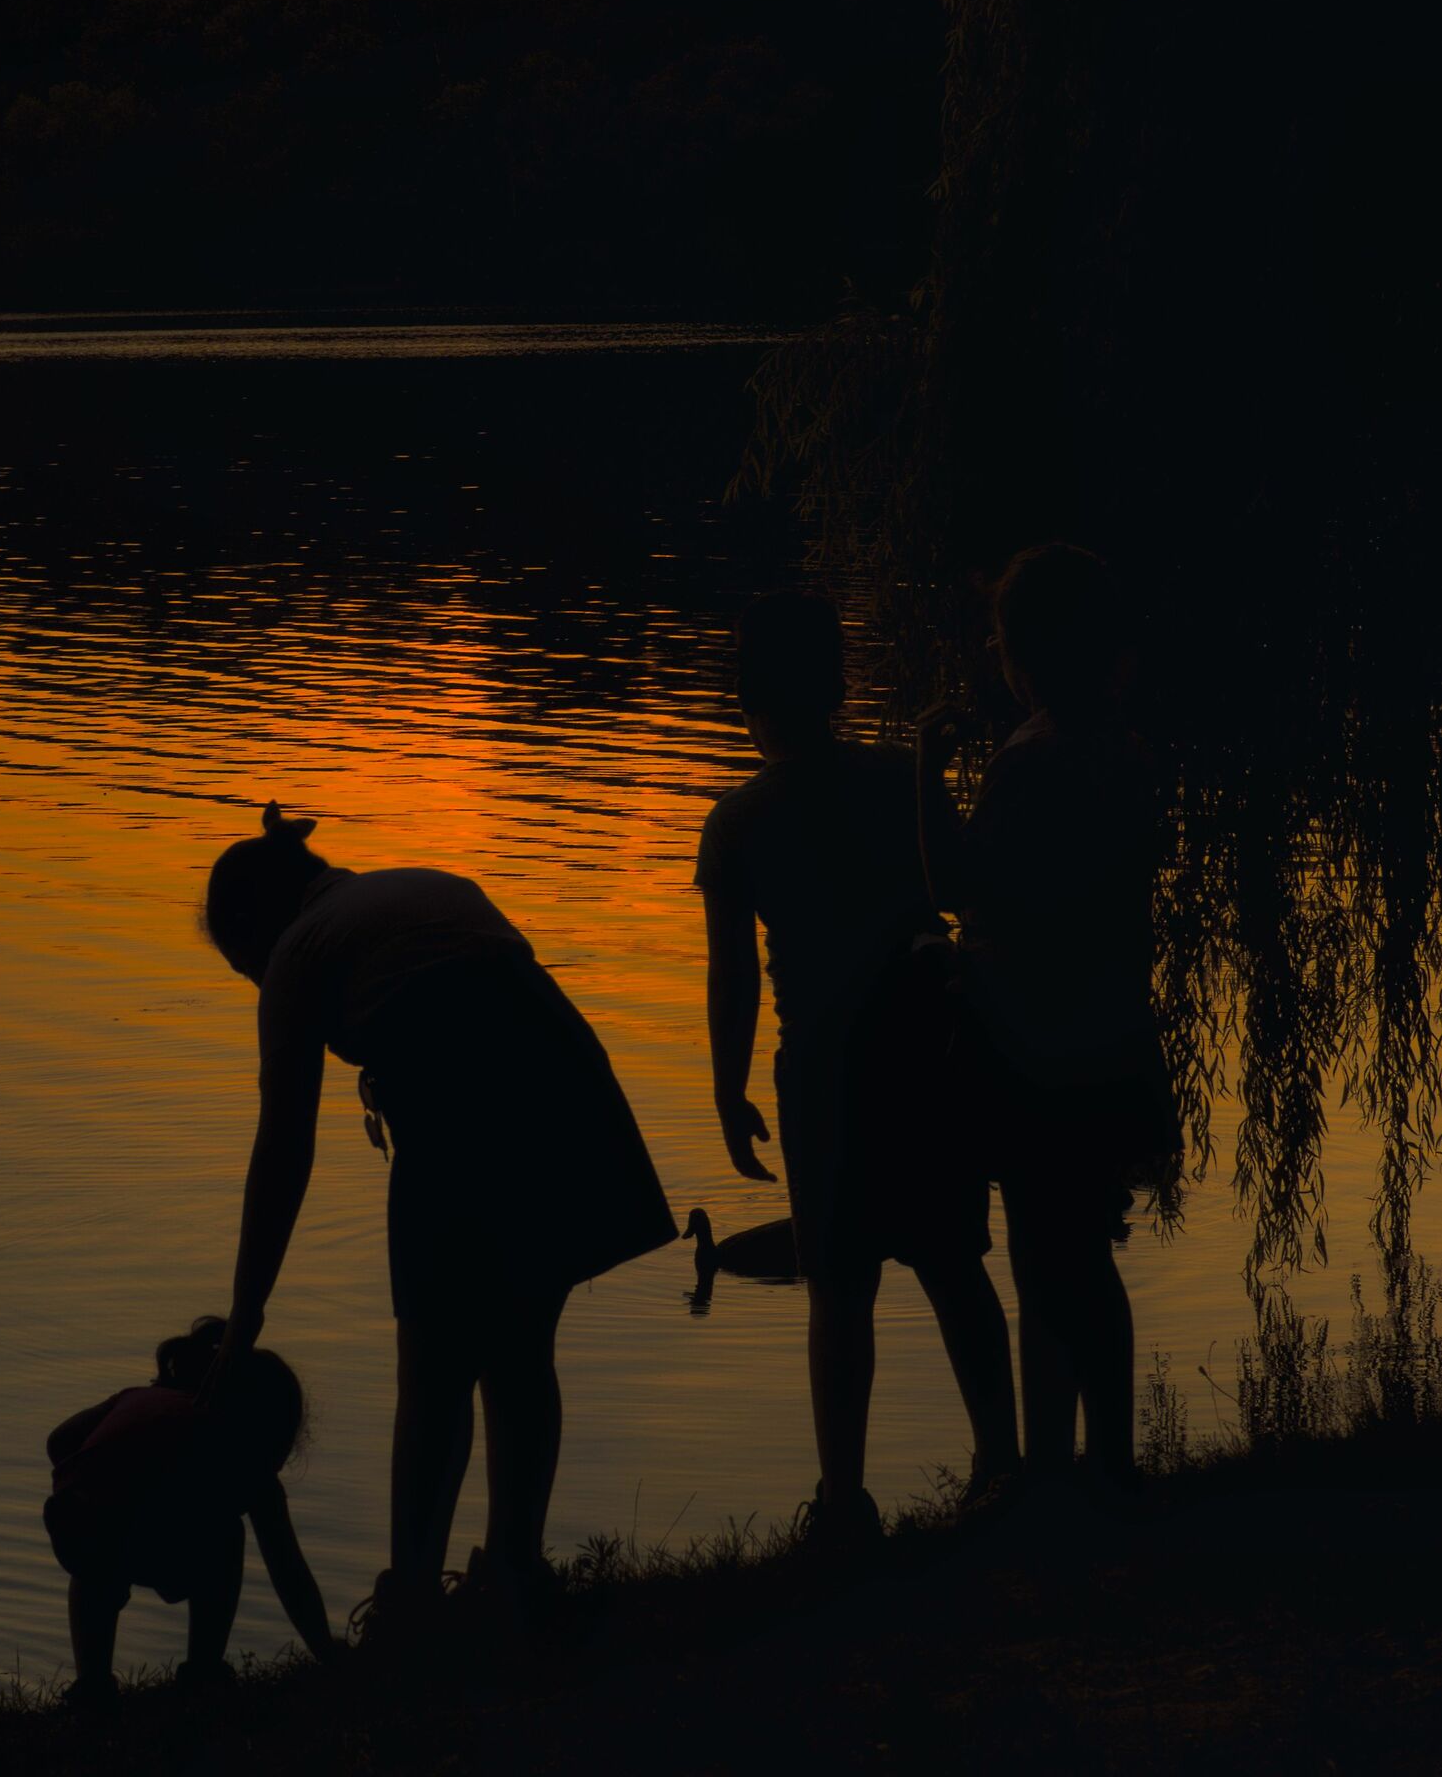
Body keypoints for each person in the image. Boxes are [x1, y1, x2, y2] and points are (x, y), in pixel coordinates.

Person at [199, 808, 676, 1630]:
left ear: (255, 925)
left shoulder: (296, 953)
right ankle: (514, 1571)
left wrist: (246, 1314)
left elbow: (284, 1149)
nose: (251, 982)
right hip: (569, 1085)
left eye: (240, 963)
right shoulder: (420, 887)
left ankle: (413, 1600)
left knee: (432, 1367)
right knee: (520, 1346)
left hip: (464, 1099)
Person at [697, 592, 1019, 1549]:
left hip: (829, 1072)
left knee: (838, 1287)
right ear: (836, 686)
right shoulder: (896, 778)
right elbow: (954, 898)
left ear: (743, 697)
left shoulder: (740, 819)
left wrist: (726, 1092)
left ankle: (842, 1500)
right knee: (953, 1265)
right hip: (928, 1049)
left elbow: (731, 977)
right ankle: (1000, 1463)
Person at [917, 542, 1178, 1495]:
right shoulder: (1125, 750)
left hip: (1031, 1046)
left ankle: (1057, 1472)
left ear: (1020, 656)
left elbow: (958, 888)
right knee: (1081, 1260)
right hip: (1109, 1032)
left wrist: (926, 777)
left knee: (1044, 1254)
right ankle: (1097, 1461)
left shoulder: (1025, 764)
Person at [43, 1315, 334, 1707]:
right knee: (228, 1537)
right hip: (150, 1527)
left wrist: (92, 1469)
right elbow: (288, 1571)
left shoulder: (136, 1397)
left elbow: (58, 1440)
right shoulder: (240, 1453)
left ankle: (92, 1687)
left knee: (97, 1562)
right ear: (262, 1428)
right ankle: (203, 1673)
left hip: (76, 1522)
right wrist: (327, 1654)